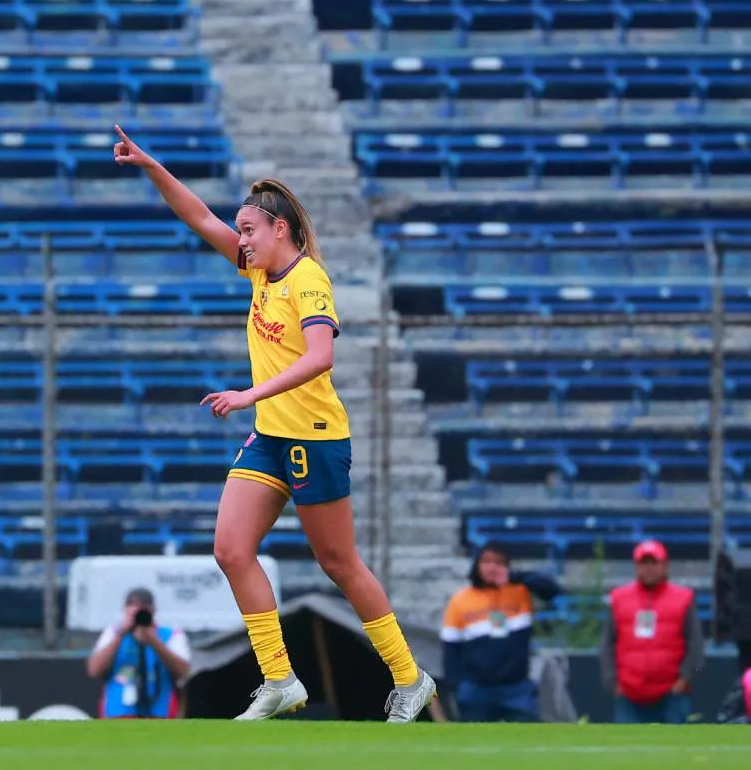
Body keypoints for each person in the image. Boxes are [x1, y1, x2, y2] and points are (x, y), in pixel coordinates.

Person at [113, 125, 435, 722]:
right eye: (240, 231)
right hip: (270, 435)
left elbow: (321, 357)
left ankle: (410, 677)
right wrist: (151, 165)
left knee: (339, 563)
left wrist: (247, 394)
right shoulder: (260, 270)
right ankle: (280, 678)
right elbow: (198, 218)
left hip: (315, 438)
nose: (240, 239)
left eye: (249, 230)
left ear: (278, 229)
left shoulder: (307, 279)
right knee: (232, 549)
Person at [441, 542, 562, 722]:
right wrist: (457, 686)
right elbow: (450, 648)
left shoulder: (519, 591)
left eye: (499, 562)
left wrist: (514, 577)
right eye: (487, 561)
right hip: (477, 688)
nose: (492, 567)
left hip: (516, 688)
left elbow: (552, 590)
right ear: (477, 565)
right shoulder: (460, 600)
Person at [600, 539, 703, 724]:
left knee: (676, 749)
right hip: (629, 693)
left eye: (654, 563)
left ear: (665, 566)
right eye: (643, 563)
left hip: (671, 694)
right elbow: (607, 643)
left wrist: (686, 679)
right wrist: (612, 681)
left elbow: (696, 645)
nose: (648, 568)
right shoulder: (619, 598)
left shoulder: (684, 598)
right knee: (626, 749)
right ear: (635, 566)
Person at [87, 588, 191, 719]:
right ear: (125, 609)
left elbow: (184, 671)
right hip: (119, 713)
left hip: (160, 712)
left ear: (153, 610)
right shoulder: (113, 633)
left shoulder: (171, 635)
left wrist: (153, 641)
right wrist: (121, 634)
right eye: (132, 605)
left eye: (143, 606)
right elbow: (94, 670)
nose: (137, 612)